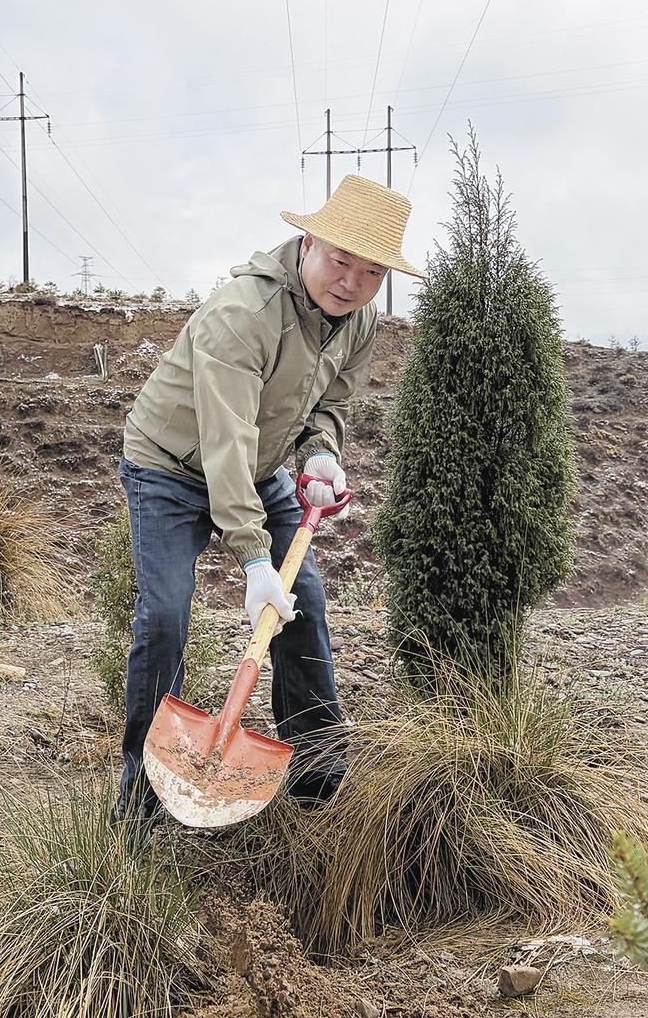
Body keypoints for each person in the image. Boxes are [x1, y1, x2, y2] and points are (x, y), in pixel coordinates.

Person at [116, 174, 424, 825]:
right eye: (341, 260)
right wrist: (254, 560)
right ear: (308, 241)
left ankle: (317, 769)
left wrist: (320, 455)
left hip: (257, 467)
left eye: (372, 272)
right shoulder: (242, 315)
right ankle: (141, 791)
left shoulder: (358, 320)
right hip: (171, 466)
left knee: (303, 600)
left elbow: (333, 402)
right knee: (167, 614)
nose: (351, 282)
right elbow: (223, 443)